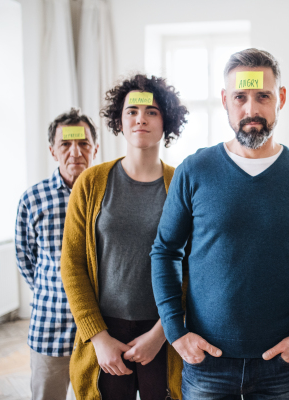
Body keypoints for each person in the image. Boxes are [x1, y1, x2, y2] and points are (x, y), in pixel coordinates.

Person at [150, 48, 289, 399]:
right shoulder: (195, 170)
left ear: (280, 98)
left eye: (263, 96)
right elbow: (164, 251)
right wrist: (175, 331)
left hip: (278, 362)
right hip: (207, 363)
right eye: (240, 97)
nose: (251, 110)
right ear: (225, 100)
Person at [60, 74, 189, 400]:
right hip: (106, 334)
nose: (140, 118)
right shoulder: (90, 182)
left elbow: (194, 268)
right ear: (119, 119)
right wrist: (98, 338)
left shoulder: (181, 184)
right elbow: (72, 265)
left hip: (163, 331)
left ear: (167, 121)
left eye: (152, 112)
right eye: (132, 111)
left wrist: (161, 334)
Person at [15, 107, 98, 399]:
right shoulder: (32, 199)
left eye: (83, 143)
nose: (75, 152)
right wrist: (49, 292)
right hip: (49, 327)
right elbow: (25, 259)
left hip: (100, 331)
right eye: (65, 144)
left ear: (95, 148)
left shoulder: (107, 194)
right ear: (52, 150)